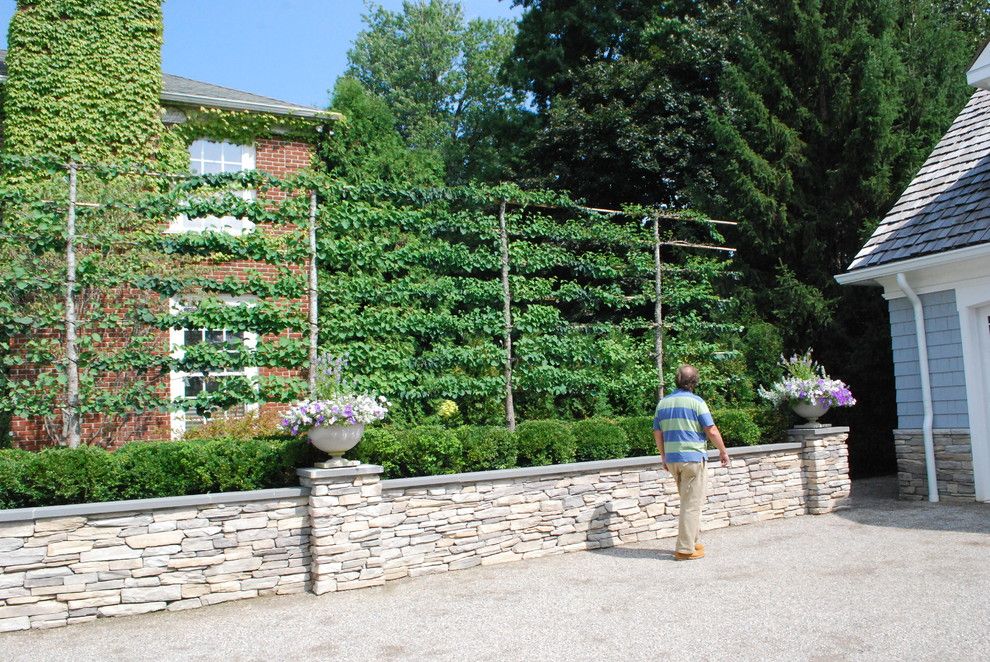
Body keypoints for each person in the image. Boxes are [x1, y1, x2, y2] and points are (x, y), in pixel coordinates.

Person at [653, 364, 730, 561]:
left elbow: (657, 432)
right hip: (693, 459)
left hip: (673, 460)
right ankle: (685, 549)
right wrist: (723, 451)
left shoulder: (663, 404)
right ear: (694, 382)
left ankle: (693, 540)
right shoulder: (697, 402)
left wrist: (663, 456)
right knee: (692, 504)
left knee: (688, 501)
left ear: (676, 380)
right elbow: (711, 430)